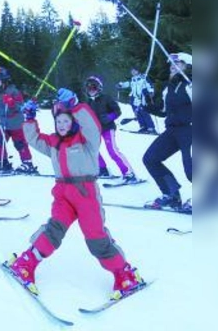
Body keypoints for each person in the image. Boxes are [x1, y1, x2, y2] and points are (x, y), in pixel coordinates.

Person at [8, 89, 145, 300]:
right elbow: (34, 140)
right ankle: (27, 262)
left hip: (85, 194)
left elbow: (92, 125)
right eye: (58, 122)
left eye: (65, 121)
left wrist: (74, 105)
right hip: (63, 193)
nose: (61, 125)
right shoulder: (54, 143)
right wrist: (29, 118)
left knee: (96, 238)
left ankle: (124, 273)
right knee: (54, 229)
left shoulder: (87, 141)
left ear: (73, 122)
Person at [142, 52, 193, 212]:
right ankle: (171, 194)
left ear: (188, 67)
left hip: (192, 130)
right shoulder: (169, 88)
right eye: (171, 63)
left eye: (178, 63)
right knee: (150, 159)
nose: (172, 66)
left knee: (191, 168)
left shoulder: (191, 85)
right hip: (172, 130)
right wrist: (148, 105)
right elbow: (164, 110)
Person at [85, 75, 138, 182]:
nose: (91, 90)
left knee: (112, 151)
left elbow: (118, 111)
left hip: (108, 128)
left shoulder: (106, 98)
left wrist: (109, 117)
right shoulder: (89, 102)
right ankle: (102, 169)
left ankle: (128, 173)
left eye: (93, 87)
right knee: (93, 150)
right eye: (89, 88)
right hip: (96, 130)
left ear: (99, 88)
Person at [0, 67, 37, 174]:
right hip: (3, 124)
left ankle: (27, 163)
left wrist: (12, 102)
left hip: (16, 123)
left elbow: (21, 107)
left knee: (19, 143)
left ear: (4, 79)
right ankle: (3, 163)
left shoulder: (13, 91)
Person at [117, 68, 156, 134]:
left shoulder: (143, 77)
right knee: (137, 113)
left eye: (135, 70)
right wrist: (121, 85)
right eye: (132, 71)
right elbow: (128, 84)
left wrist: (150, 92)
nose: (133, 72)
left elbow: (150, 85)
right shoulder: (133, 79)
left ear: (138, 71)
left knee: (144, 112)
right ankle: (143, 126)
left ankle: (151, 127)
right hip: (134, 98)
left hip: (142, 97)